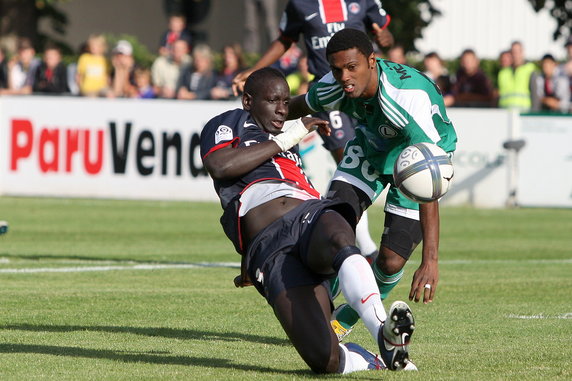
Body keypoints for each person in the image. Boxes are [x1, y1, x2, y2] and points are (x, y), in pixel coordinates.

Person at [200, 67, 417, 373]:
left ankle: (384, 332)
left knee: (337, 232)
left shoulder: (289, 138)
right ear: (248, 101)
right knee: (325, 360)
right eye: (273, 100)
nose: (282, 109)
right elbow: (220, 166)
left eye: (286, 102)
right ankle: (374, 362)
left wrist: (289, 136)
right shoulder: (228, 123)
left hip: (307, 215)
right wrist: (289, 136)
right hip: (268, 249)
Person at [287, 28, 457, 340]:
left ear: (371, 61)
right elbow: (296, 105)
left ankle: (345, 318)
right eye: (337, 70)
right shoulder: (334, 86)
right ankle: (327, 291)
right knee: (329, 225)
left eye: (352, 68)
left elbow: (427, 184)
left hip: (422, 162)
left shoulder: (406, 99)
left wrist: (430, 261)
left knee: (391, 261)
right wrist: (253, 115)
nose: (345, 77)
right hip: (370, 148)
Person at [232, 0, 394, 260]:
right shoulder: (300, 4)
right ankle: (365, 247)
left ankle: (346, 237)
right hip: (328, 93)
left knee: (365, 162)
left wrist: (385, 37)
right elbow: (285, 39)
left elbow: (382, 32)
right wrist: (256, 69)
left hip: (364, 92)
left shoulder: (362, 1)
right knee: (348, 158)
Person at [497, 41, 536, 110]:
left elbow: (535, 95)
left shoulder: (530, 69)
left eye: (518, 52)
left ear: (522, 53)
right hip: (505, 113)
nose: (515, 55)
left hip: (523, 114)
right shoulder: (503, 73)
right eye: (513, 52)